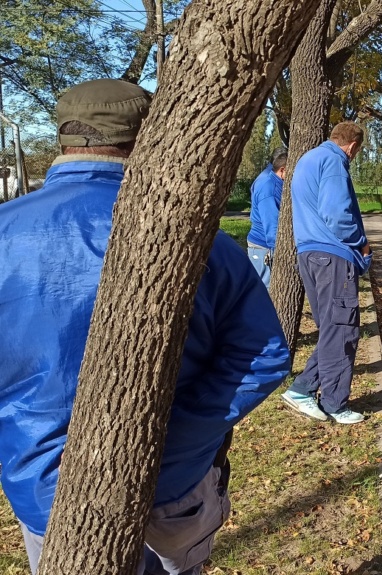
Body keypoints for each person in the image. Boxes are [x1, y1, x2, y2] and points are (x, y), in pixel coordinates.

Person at [0, 79, 291, 574]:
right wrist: (170, 451)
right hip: (172, 490)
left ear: (64, 137)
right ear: (150, 136)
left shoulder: (5, 233)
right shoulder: (200, 239)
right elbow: (262, 352)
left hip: (43, 492)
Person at [281, 122, 372, 424]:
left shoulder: (308, 159)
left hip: (309, 253)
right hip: (333, 255)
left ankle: (302, 389)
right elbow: (337, 213)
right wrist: (361, 245)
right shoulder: (334, 161)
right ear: (353, 145)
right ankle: (334, 403)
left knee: (332, 329)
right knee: (343, 330)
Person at [247, 146, 288, 289]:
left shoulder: (273, 181)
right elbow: (272, 226)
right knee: (264, 291)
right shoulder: (268, 187)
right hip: (263, 247)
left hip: (265, 247)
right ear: (282, 170)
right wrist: (281, 255)